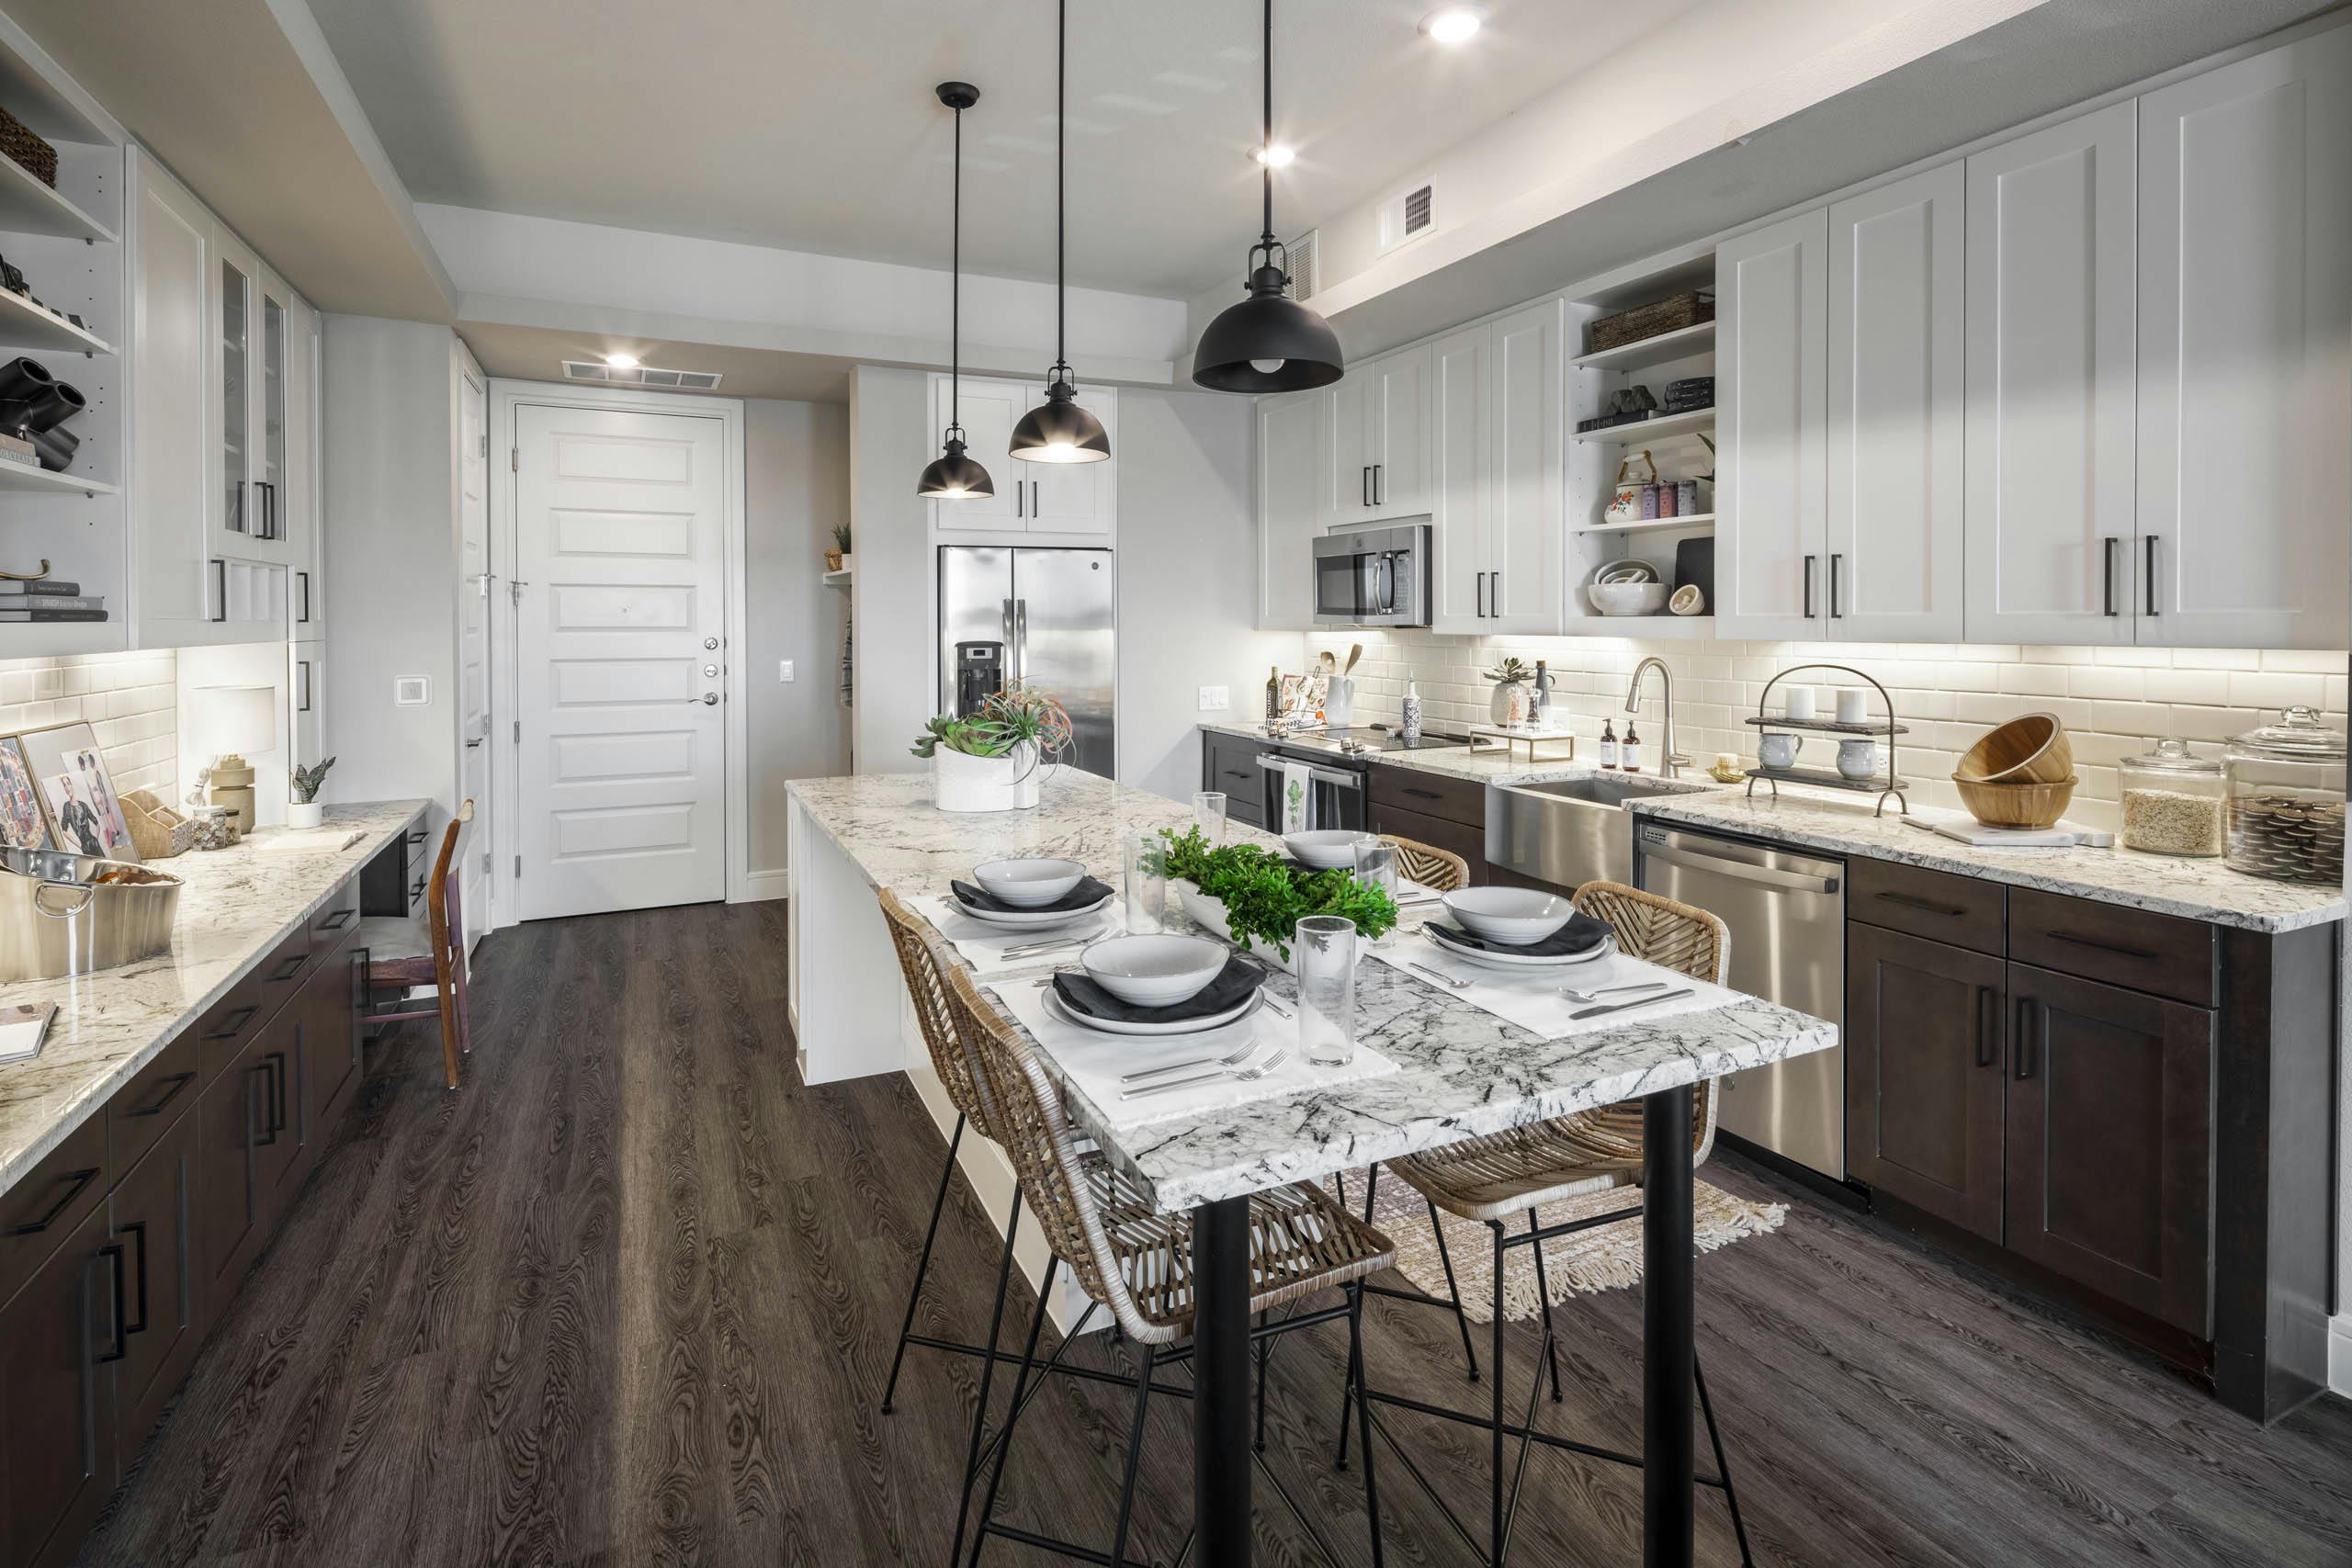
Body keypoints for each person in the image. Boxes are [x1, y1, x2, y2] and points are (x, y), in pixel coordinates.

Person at [53, 775, 101, 856]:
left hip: (94, 843)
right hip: (85, 847)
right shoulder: (67, 807)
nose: (67, 787)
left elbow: (97, 824)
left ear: (72, 785)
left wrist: (95, 839)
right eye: (64, 785)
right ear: (64, 789)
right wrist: (80, 846)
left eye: (68, 784)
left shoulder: (83, 805)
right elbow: (64, 831)